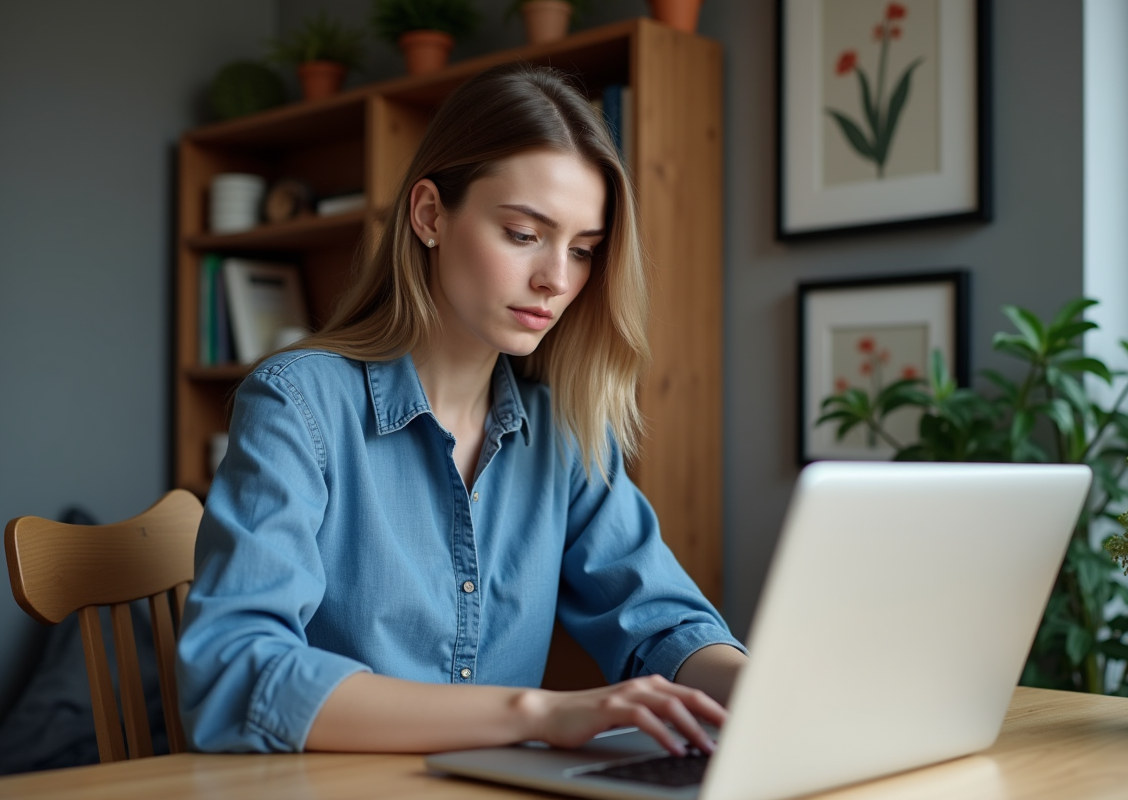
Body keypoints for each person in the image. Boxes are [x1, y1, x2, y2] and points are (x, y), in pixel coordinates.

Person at [176, 62, 747, 758]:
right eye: (522, 233)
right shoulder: (300, 403)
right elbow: (238, 673)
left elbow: (664, 627)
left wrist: (765, 691)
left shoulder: (564, 435)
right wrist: (536, 714)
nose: (557, 280)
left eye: (583, 250)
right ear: (429, 215)